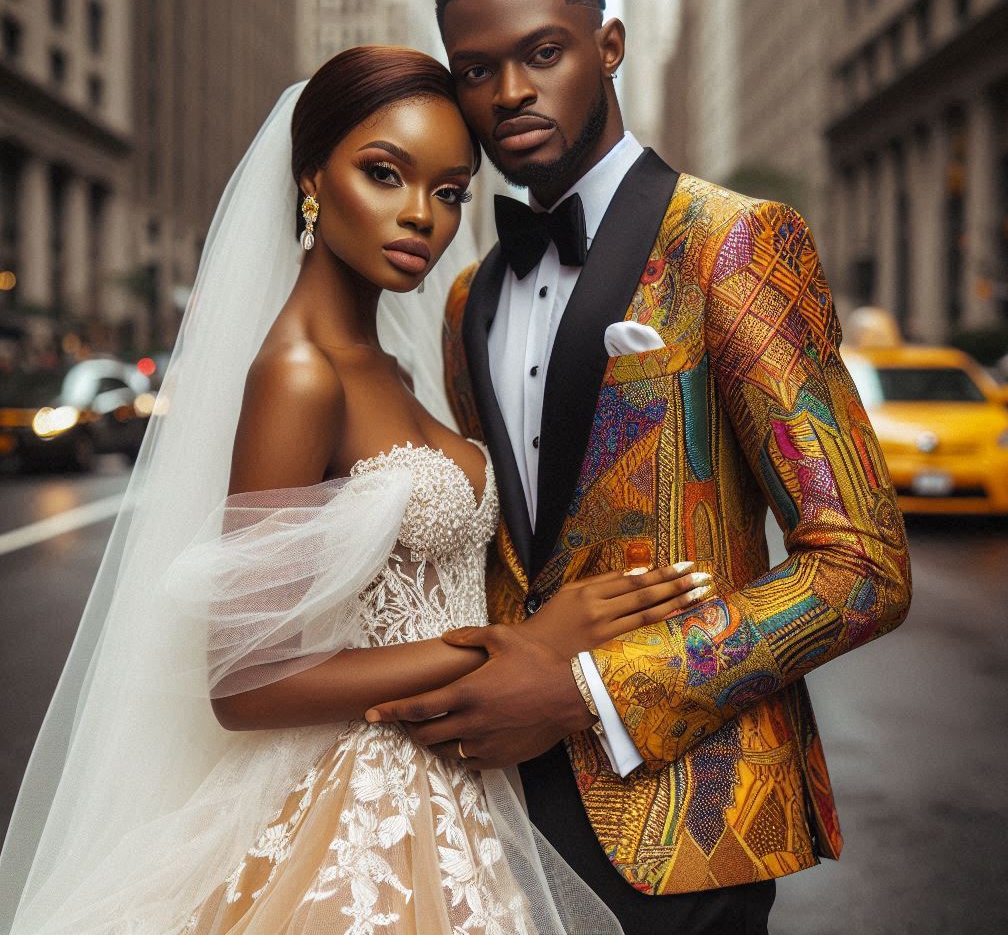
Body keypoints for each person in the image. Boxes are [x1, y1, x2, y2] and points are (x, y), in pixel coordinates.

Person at [0, 47, 711, 934]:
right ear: (312, 179)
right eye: (385, 174)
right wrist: (521, 649)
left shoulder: (393, 365)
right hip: (360, 813)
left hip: (455, 797)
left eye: (450, 192)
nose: (422, 215)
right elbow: (247, 682)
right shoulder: (300, 374)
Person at [365, 0, 914, 935]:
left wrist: (588, 689)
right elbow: (509, 547)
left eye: (544, 52)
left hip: (689, 815)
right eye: (476, 70)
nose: (511, 92)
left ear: (607, 44)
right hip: (497, 808)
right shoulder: (467, 299)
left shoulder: (735, 242)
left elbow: (863, 564)